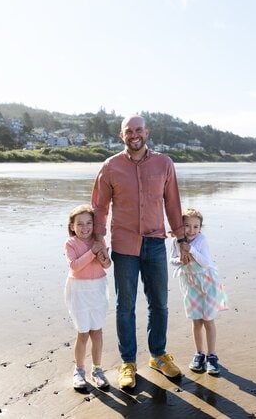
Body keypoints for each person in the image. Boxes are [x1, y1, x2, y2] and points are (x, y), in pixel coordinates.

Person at [91, 114, 186, 388]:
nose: (134, 135)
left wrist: (181, 239)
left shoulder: (164, 164)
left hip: (156, 242)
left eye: (139, 130)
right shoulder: (110, 167)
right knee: (125, 307)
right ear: (122, 135)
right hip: (124, 246)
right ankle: (128, 363)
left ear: (147, 132)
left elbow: (173, 204)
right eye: (129, 131)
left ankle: (158, 355)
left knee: (160, 304)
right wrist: (99, 239)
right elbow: (99, 206)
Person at [169, 208, 228, 376]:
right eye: (187, 226)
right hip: (190, 283)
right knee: (196, 321)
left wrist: (191, 250)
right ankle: (199, 353)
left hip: (207, 282)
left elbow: (206, 263)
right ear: (181, 227)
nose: (191, 230)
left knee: (208, 320)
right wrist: (181, 258)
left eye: (196, 227)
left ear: (200, 228)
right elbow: (172, 260)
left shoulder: (201, 240)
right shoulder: (176, 241)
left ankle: (212, 355)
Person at [63, 205, 112, 390]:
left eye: (89, 223)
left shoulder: (99, 240)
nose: (85, 227)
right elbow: (75, 266)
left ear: (94, 224)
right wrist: (92, 252)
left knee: (97, 332)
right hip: (79, 290)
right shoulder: (71, 243)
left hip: (98, 288)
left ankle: (97, 370)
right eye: (80, 224)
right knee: (83, 332)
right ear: (72, 226)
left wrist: (104, 257)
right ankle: (79, 371)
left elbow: (106, 265)